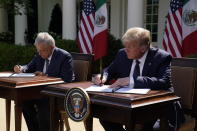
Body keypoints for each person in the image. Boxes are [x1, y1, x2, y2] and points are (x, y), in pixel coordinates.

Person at [93, 27, 185, 131]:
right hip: (129, 105)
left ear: (143, 48)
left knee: (141, 127)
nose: (126, 49)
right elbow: (109, 70)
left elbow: (164, 82)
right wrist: (103, 76)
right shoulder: (122, 54)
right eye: (125, 45)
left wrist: (131, 80)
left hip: (158, 109)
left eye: (130, 46)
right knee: (105, 116)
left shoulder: (161, 57)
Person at [14, 32, 74, 131]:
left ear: (51, 47)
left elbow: (68, 79)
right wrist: (21, 68)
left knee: (43, 105)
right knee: (24, 101)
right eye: (38, 50)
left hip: (56, 94)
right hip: (39, 91)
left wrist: (46, 76)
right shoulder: (40, 55)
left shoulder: (64, 57)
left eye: (42, 51)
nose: (40, 53)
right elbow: (29, 66)